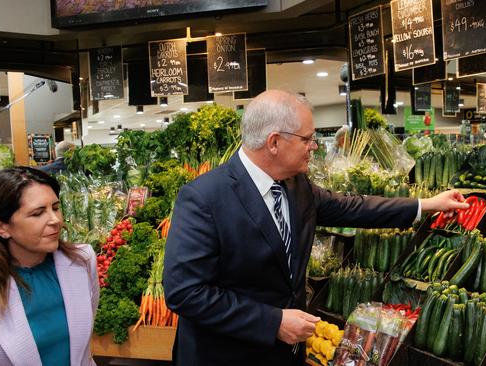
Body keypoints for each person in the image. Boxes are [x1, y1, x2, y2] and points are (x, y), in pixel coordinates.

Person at [163, 90, 468, 366]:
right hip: (226, 356)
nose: (314, 148)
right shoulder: (203, 198)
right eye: (307, 139)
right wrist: (273, 322)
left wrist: (425, 205)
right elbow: (185, 292)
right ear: (274, 142)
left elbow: (353, 207)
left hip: (285, 355)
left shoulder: (296, 186)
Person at [0, 167, 99, 366]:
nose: (55, 220)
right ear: (0, 227)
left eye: (56, 207)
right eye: (37, 213)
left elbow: (83, 351)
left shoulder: (82, 261)